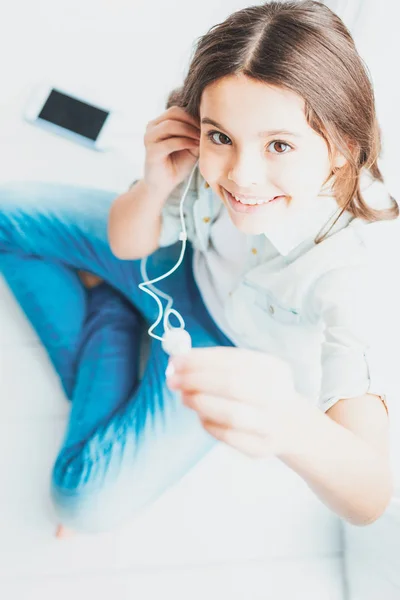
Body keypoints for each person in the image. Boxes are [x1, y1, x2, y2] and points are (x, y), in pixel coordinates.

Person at [0, 0, 397, 538]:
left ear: (342, 150)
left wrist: (286, 418)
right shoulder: (206, 158)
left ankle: (110, 321)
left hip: (219, 349)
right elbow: (126, 243)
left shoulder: (355, 272)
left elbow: (370, 496)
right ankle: (115, 314)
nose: (241, 177)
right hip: (173, 264)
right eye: (220, 137)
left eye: (279, 145)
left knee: (79, 501)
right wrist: (155, 182)